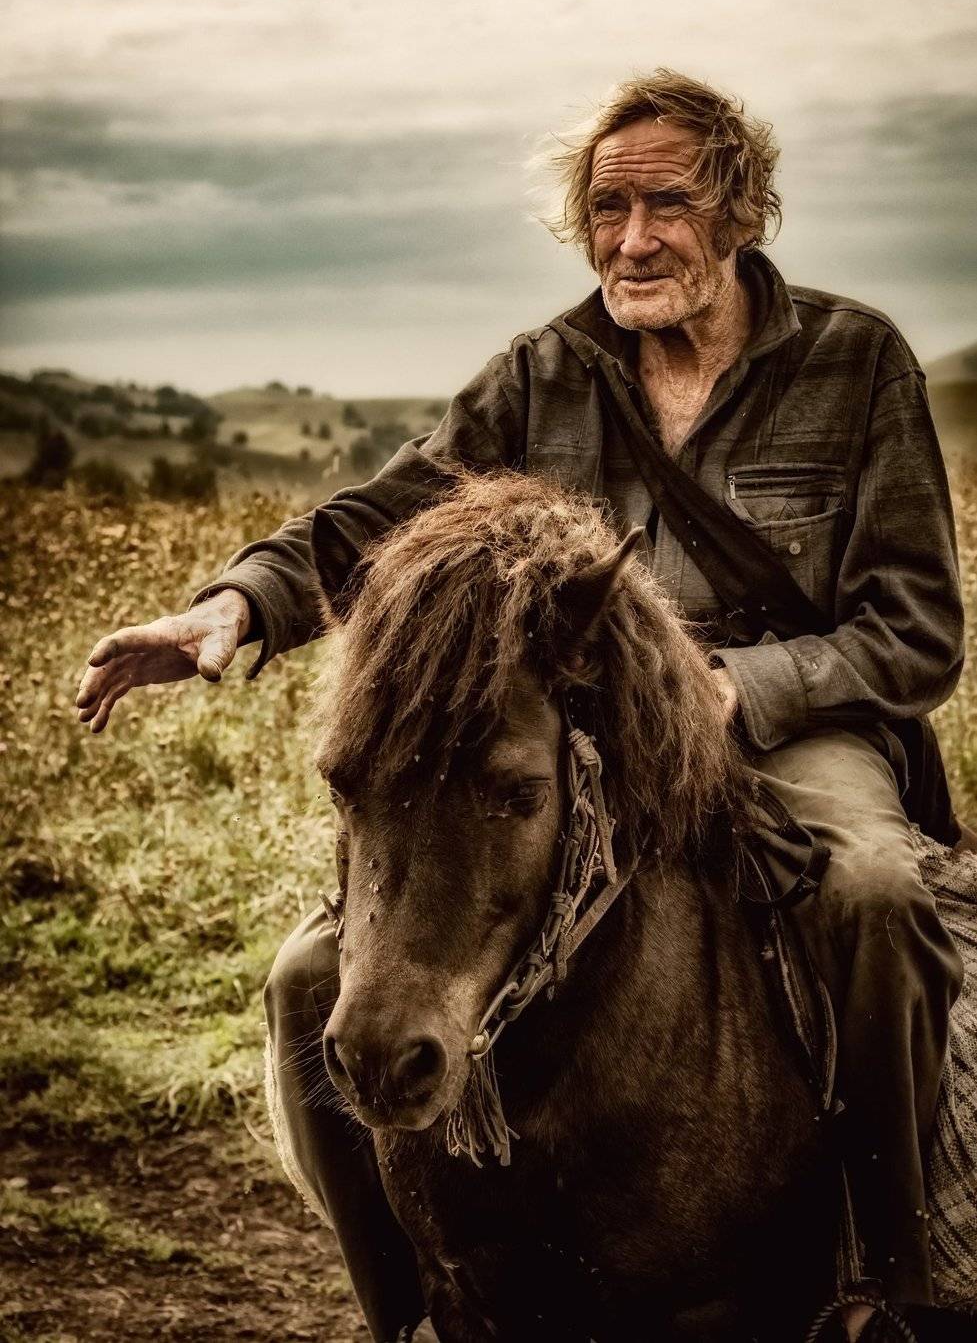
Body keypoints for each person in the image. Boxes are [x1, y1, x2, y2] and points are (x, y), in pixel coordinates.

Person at [75, 70, 965, 1341]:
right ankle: (403, 1309)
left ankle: (887, 1276)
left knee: (871, 894)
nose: (632, 239)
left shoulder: (853, 360)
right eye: (607, 208)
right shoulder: (544, 372)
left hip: (788, 724)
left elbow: (914, 630)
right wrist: (231, 609)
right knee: (310, 978)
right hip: (581, 735)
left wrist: (742, 686)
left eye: (667, 204)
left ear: (740, 212)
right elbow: (378, 519)